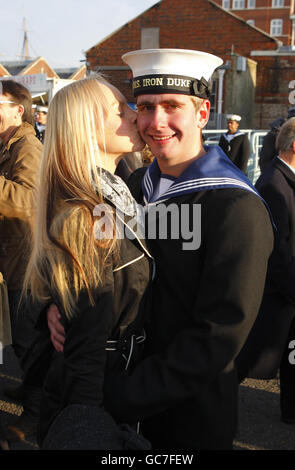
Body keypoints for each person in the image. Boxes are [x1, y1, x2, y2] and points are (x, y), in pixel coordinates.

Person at [48, 49, 274, 450]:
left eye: (173, 107)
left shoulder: (235, 207)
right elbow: (97, 271)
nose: (155, 122)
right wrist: (60, 304)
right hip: (120, 403)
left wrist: (119, 395)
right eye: (146, 107)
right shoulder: (133, 187)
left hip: (184, 415)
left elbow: (218, 336)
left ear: (203, 114)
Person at [11, 76, 153, 449]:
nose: (135, 116)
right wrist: (89, 428)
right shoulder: (86, 213)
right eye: (120, 111)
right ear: (88, 127)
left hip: (122, 382)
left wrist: (53, 307)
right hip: (101, 397)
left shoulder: (122, 190)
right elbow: (87, 349)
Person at [236, 117, 295, 424]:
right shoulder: (274, 183)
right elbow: (278, 249)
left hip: (285, 292)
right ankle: (209, 405)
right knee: (247, 358)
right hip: (276, 293)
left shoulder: (284, 179)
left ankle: (291, 410)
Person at [0, 80, 42, 400]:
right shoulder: (6, 145)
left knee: (27, 341)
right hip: (8, 260)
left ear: (18, 110)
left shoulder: (27, 147)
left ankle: (39, 409)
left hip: (21, 265)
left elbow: (28, 200)